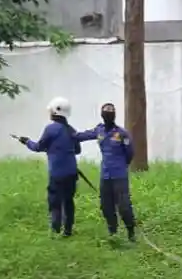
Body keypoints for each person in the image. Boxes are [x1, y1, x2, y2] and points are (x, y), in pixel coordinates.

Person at [19, 97, 83, 237]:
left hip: (57, 173)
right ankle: (68, 230)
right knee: (68, 201)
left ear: (55, 112)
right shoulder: (72, 130)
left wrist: (26, 141)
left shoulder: (51, 129)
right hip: (72, 173)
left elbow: (38, 147)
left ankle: (55, 230)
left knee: (55, 201)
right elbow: (78, 150)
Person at [75, 102, 136, 241]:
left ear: (114, 115)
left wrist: (122, 164)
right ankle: (113, 232)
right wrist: (67, 131)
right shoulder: (99, 130)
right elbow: (81, 136)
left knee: (123, 206)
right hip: (105, 174)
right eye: (106, 112)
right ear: (102, 115)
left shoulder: (122, 133)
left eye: (111, 112)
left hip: (119, 175)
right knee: (106, 206)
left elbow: (130, 153)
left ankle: (131, 231)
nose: (108, 114)